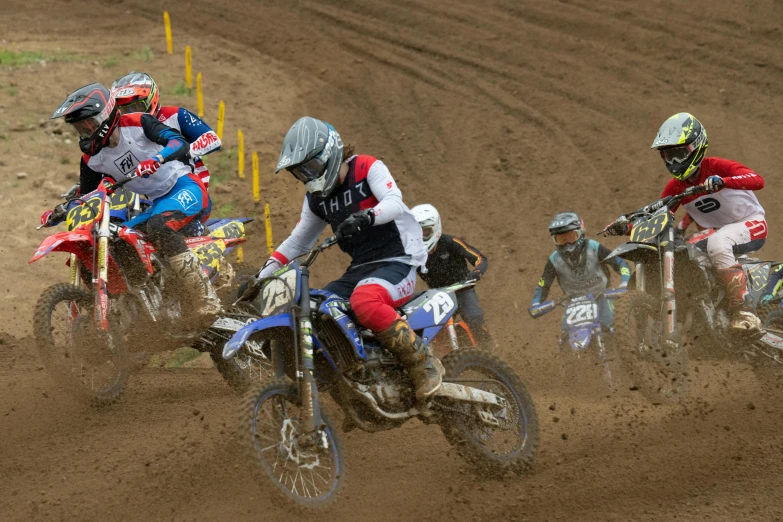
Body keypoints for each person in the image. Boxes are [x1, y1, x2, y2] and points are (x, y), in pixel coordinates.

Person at [253, 116, 440, 402]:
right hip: (360, 269)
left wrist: (368, 215)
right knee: (312, 308)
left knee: (364, 302)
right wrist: (261, 277)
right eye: (300, 173)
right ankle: (348, 382)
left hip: (397, 261)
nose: (308, 177)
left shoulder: (366, 167)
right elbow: (300, 239)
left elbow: (394, 201)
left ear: (330, 152)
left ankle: (424, 364)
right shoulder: (316, 199)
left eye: (311, 167)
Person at [42, 83, 221, 325]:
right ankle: (148, 302)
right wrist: (61, 211)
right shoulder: (92, 159)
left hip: (184, 186)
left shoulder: (139, 123)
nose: (84, 132)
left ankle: (206, 299)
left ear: (104, 116)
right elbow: (86, 194)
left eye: (88, 124)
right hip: (156, 203)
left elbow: (178, 142)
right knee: (120, 238)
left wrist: (157, 158)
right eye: (78, 128)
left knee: (160, 226)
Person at [608, 112, 767, 331]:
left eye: (679, 153)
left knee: (718, 243)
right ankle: (709, 312)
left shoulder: (717, 167)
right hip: (716, 232)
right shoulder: (675, 187)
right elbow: (660, 218)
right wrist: (627, 227)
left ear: (697, 147)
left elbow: (757, 180)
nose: (673, 162)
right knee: (687, 256)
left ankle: (744, 310)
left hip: (752, 223)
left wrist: (724, 181)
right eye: (668, 156)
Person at [111, 72, 221, 191]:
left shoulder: (175, 115)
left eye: (137, 107)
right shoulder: (120, 131)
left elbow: (213, 139)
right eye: (124, 110)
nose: (131, 114)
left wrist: (182, 150)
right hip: (148, 185)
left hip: (189, 179)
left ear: (152, 99)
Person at [411, 204, 493, 349]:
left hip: (462, 288)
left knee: (474, 318)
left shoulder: (450, 242)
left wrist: (476, 273)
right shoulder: (412, 253)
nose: (421, 236)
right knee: (429, 330)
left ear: (435, 228)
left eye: (425, 231)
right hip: (438, 295)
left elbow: (480, 258)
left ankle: (489, 348)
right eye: (417, 232)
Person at [530, 212, 630, 327]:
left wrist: (624, 283)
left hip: (602, 296)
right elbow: (543, 285)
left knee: (611, 323)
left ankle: (624, 344)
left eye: (571, 237)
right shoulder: (555, 260)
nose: (567, 243)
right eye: (561, 239)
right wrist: (536, 303)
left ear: (581, 233)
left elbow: (619, 263)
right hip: (573, 303)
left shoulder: (593, 247)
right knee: (566, 332)